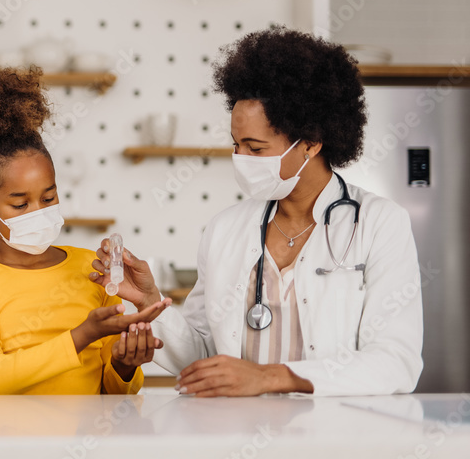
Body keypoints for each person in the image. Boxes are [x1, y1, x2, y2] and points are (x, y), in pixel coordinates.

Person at [91, 28, 423, 397]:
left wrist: (270, 377)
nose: (240, 160)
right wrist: (149, 301)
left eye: (256, 148)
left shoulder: (379, 223)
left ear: (311, 143)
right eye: (236, 145)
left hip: (333, 436)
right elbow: (202, 355)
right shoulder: (226, 229)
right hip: (236, 437)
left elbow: (396, 362)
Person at [0, 67, 170, 395]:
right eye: (20, 204)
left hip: (86, 440)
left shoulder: (93, 270)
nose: (39, 212)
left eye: (49, 197)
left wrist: (125, 364)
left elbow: (114, 394)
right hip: (5, 440)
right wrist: (81, 336)